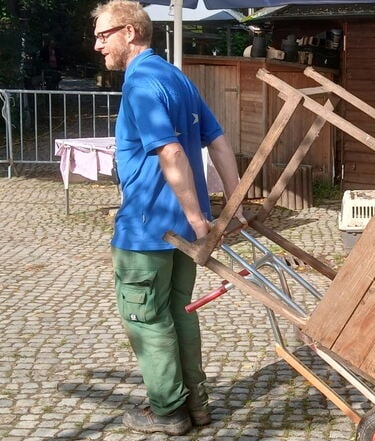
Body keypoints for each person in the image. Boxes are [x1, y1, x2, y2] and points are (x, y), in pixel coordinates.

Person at [91, 1, 246, 435]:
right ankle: (196, 406)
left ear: (131, 33)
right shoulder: (177, 78)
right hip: (179, 232)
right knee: (180, 313)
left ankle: (168, 412)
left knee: (146, 319)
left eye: (105, 35)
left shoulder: (141, 83)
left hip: (148, 230)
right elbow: (217, 141)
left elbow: (173, 151)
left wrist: (201, 221)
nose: (97, 44)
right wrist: (234, 205)